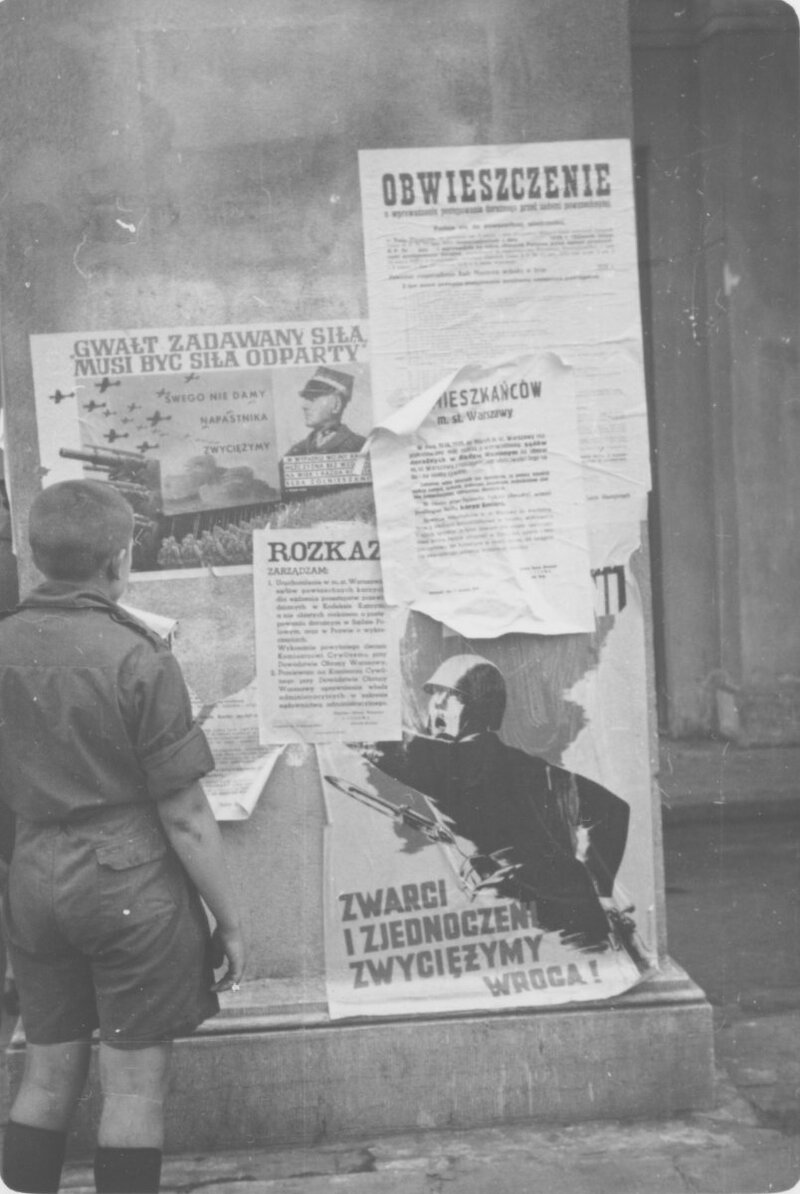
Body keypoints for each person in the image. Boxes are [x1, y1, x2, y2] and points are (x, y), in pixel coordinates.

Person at [0, 480, 245, 1194]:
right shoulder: (138, 655)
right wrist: (229, 921)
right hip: (127, 883)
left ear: (38, 554)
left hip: (34, 875)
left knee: (46, 1075)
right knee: (134, 1088)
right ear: (119, 558)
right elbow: (185, 814)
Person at [370, 654, 631, 948]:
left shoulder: (452, 761)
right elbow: (612, 810)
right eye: (434, 694)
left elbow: (378, 744)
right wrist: (600, 890)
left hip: (526, 911)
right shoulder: (537, 770)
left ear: (482, 707)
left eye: (453, 696)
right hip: (578, 909)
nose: (437, 705)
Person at [284, 366, 365, 456]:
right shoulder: (296, 451)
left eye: (312, 399)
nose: (304, 406)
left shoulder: (361, 447)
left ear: (336, 404)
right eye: (306, 399)